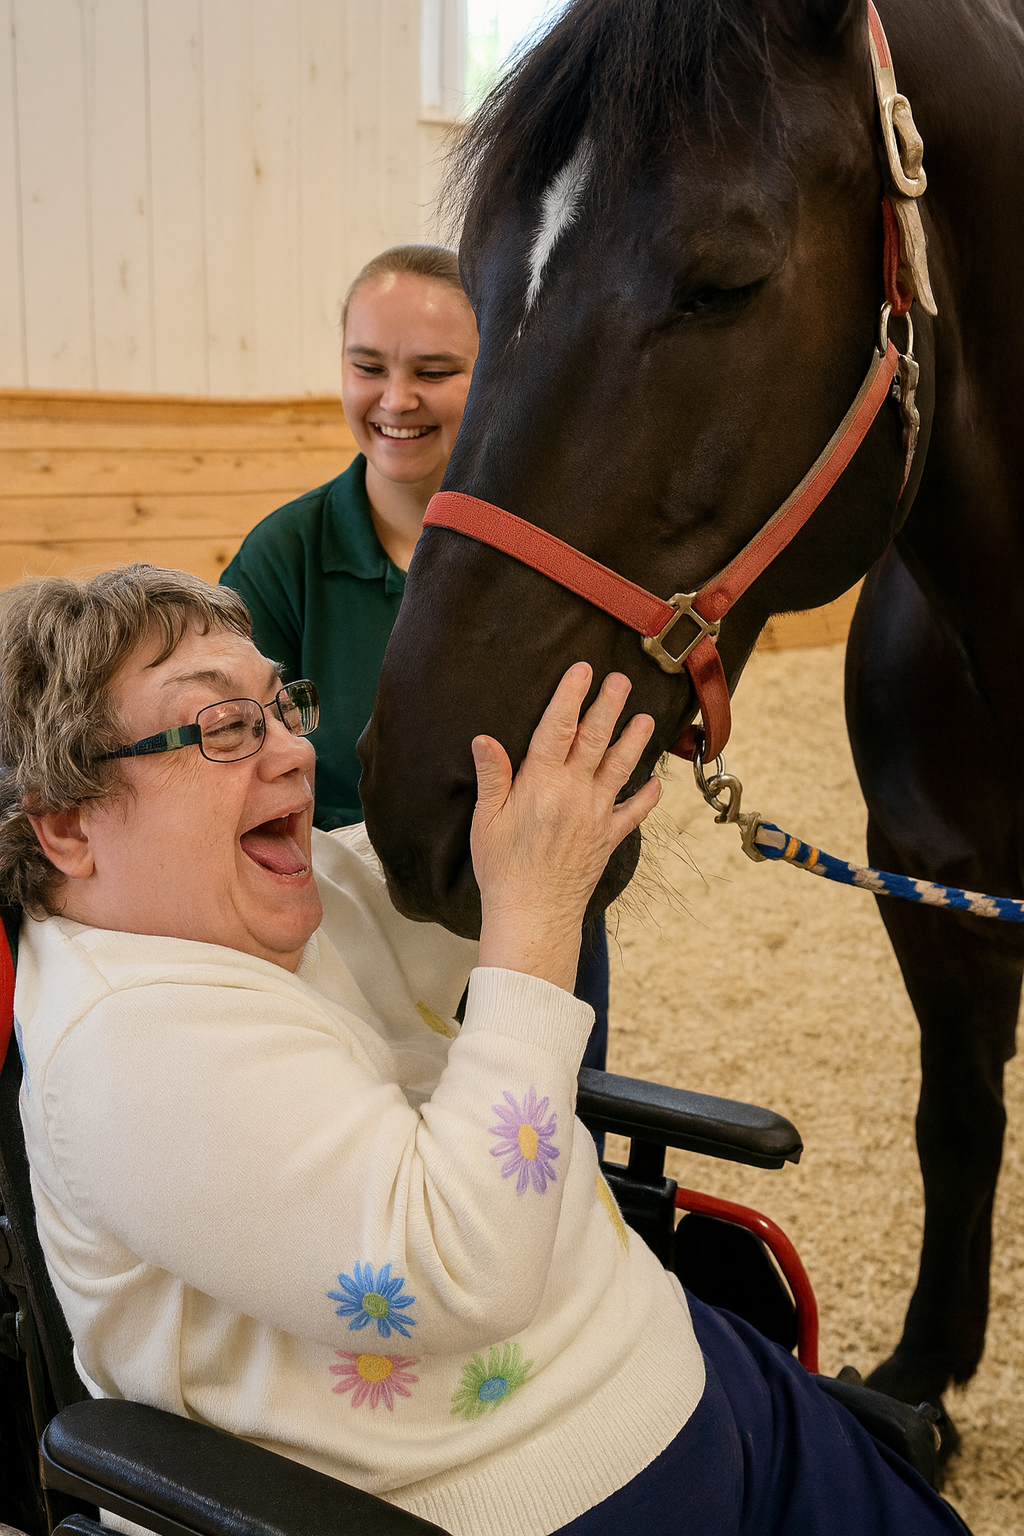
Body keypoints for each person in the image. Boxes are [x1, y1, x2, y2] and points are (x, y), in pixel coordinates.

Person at [4, 566, 968, 1536]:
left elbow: (445, 868)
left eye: (280, 707)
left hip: (675, 1359)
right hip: (541, 1494)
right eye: (221, 728)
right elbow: (459, 1266)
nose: (295, 753)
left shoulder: (255, 901)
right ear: (67, 823)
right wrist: (538, 911)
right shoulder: (127, 1049)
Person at [219, 243, 608, 1065]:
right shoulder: (283, 557)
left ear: (496, 369)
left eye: (434, 371)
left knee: (540, 1159)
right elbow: (224, 768)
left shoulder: (557, 549)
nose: (396, 400)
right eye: (368, 366)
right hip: (344, 941)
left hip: (525, 923)